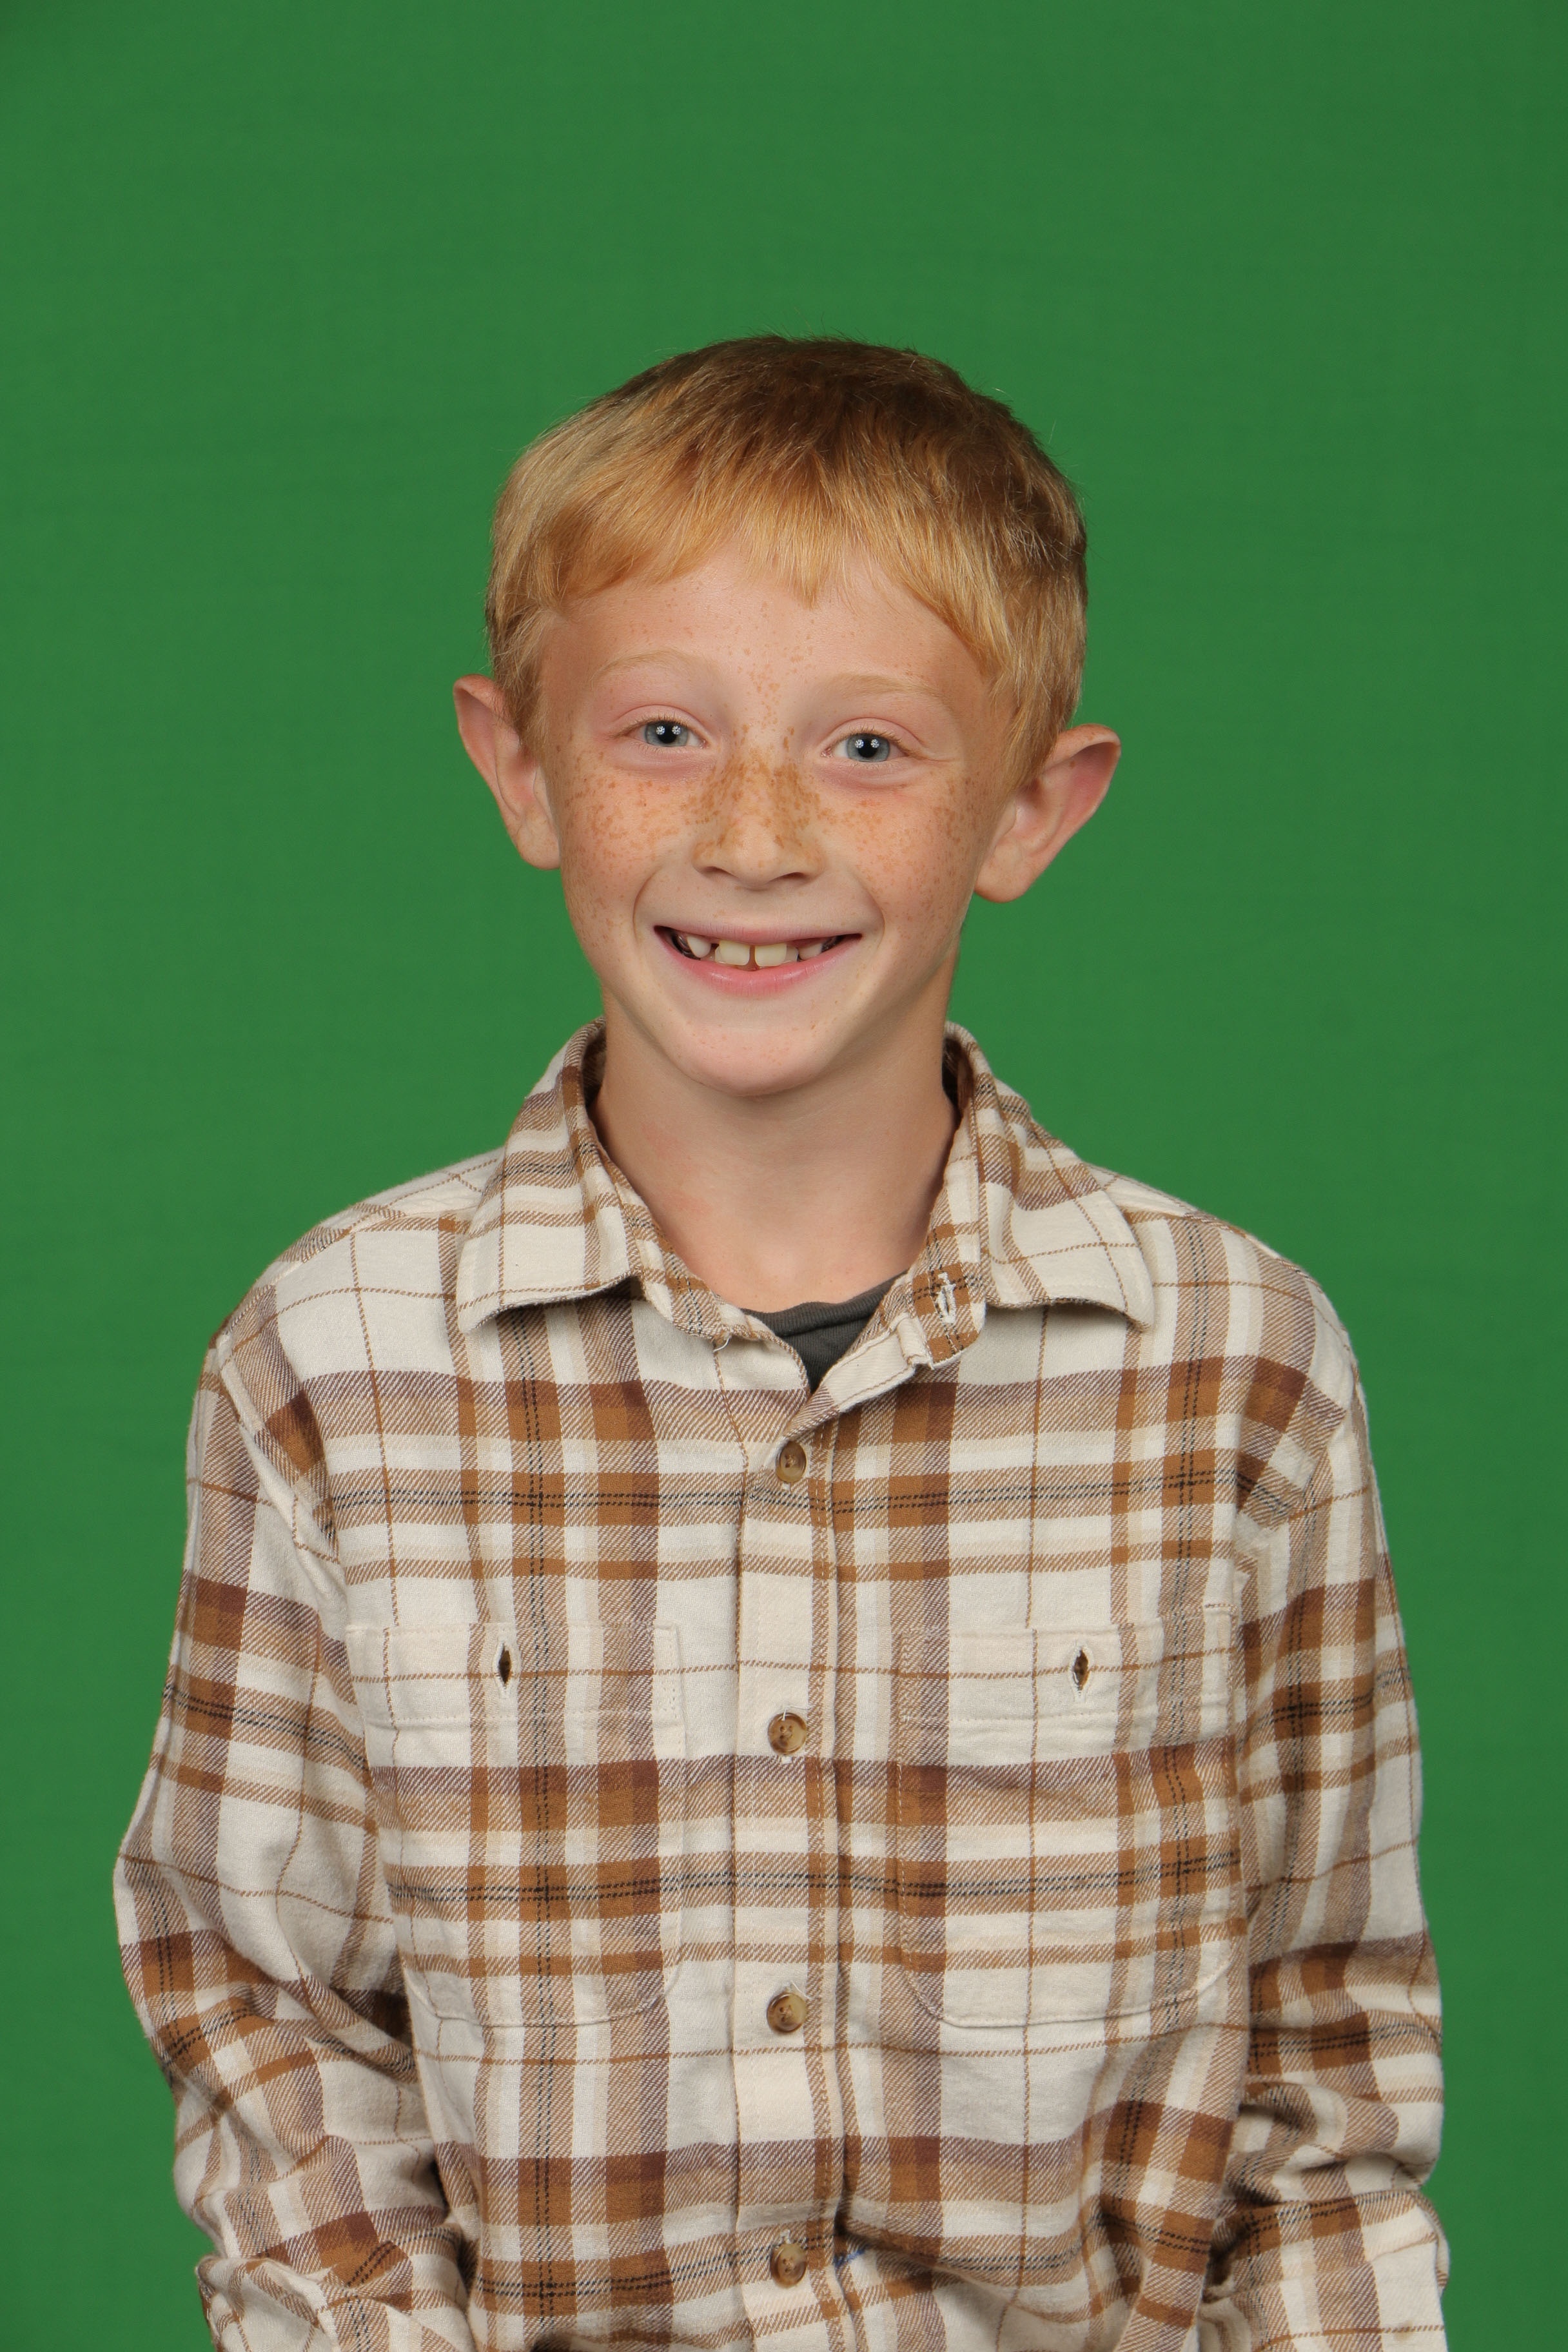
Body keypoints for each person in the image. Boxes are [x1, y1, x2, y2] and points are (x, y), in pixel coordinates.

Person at [115, 337, 1446, 2352]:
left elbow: (1324, 2078)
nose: (753, 832)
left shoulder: (1239, 1368)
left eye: (868, 748)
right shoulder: (333, 1362)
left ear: (1032, 807)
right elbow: (275, 2028)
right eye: (663, 731)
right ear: (518, 767)